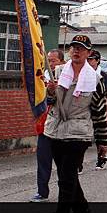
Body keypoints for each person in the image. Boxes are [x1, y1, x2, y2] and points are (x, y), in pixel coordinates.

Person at [44, 35, 107, 213]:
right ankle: (81, 208)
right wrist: (50, 91)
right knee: (68, 174)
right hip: (55, 129)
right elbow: (49, 102)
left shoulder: (95, 80)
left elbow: (99, 113)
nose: (76, 51)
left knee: (66, 177)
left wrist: (103, 141)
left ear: (88, 53)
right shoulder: (57, 72)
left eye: (81, 48)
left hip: (78, 132)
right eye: (73, 47)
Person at [30, 49, 65, 203]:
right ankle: (42, 191)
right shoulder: (43, 78)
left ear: (62, 62)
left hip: (62, 127)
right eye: (48, 60)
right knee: (43, 160)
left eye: (53, 61)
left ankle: (67, 192)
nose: (50, 64)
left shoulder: (67, 77)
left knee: (63, 163)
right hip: (45, 125)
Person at [81, 49, 107, 172]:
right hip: (84, 109)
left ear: (97, 61)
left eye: (91, 59)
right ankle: (78, 163)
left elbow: (105, 92)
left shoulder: (103, 75)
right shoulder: (82, 72)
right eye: (87, 59)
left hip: (99, 108)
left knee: (101, 136)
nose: (89, 61)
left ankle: (101, 157)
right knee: (81, 137)